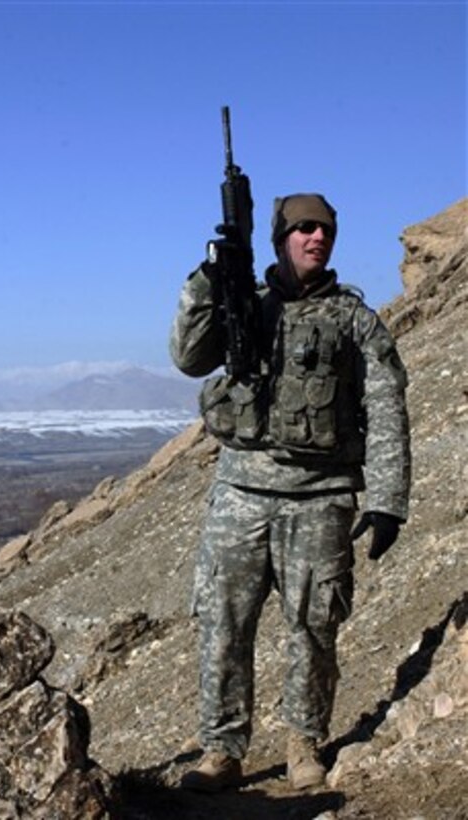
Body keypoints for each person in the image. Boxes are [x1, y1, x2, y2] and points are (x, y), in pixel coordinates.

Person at [169, 193, 411, 792]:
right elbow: (187, 357)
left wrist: (387, 500)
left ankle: (304, 743)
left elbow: (386, 408)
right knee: (224, 621)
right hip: (240, 491)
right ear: (280, 238)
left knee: (312, 625)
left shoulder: (356, 321)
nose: (315, 238)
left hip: (322, 495)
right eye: (303, 229)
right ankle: (222, 749)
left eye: (325, 230)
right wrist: (211, 278)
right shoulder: (243, 307)